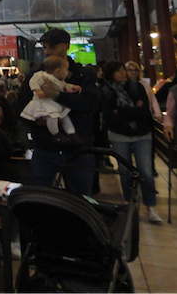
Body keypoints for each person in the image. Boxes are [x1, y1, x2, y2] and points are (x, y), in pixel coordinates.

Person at [15, 29, 101, 195]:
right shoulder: (36, 75)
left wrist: (57, 95)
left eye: (52, 46)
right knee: (41, 196)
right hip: (45, 146)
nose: (47, 51)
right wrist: (38, 120)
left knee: (81, 198)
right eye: (45, 47)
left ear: (67, 46)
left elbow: (91, 104)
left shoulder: (83, 74)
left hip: (78, 148)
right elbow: (20, 108)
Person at [101, 61, 162, 224]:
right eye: (118, 71)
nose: (123, 73)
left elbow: (144, 111)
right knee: (124, 170)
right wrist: (133, 110)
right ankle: (129, 203)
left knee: (146, 170)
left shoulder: (137, 87)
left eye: (123, 70)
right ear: (111, 74)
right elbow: (109, 116)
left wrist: (120, 111)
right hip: (119, 135)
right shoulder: (106, 91)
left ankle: (150, 206)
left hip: (142, 133)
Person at [20, 55, 82, 142]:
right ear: (58, 71)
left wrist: (72, 86)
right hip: (43, 102)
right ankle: (56, 135)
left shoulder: (58, 80)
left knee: (64, 116)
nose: (68, 72)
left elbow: (64, 85)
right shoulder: (42, 75)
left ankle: (72, 133)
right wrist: (37, 90)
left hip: (53, 102)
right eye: (66, 70)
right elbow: (33, 81)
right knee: (52, 117)